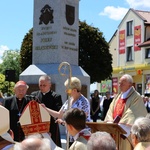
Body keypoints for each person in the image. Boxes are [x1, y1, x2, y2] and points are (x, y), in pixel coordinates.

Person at [104, 74, 147, 150]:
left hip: (125, 133)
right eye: (119, 83)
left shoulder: (136, 97)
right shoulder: (117, 96)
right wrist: (110, 123)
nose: (120, 85)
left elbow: (133, 113)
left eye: (122, 83)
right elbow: (110, 110)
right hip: (114, 130)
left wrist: (119, 125)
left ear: (129, 84)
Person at [31, 75, 63, 147]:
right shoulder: (34, 95)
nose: (42, 87)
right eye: (40, 85)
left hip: (51, 126)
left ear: (50, 85)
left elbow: (58, 114)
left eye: (44, 85)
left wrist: (45, 109)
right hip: (37, 126)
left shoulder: (56, 97)